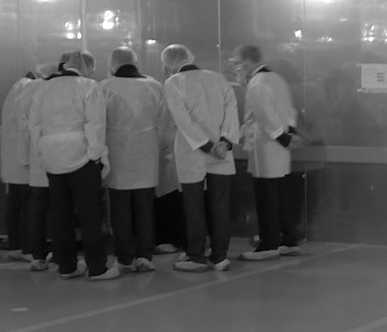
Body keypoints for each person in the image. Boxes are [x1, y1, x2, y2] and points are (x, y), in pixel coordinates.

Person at [29, 49, 116, 280]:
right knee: (90, 215)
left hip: (52, 157)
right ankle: (97, 267)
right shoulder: (88, 86)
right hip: (81, 157)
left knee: (60, 214)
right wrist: (96, 155)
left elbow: (34, 125)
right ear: (85, 66)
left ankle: (66, 266)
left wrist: (42, 153)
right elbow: (95, 124)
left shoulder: (42, 88)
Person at [161, 43, 239, 271]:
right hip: (222, 151)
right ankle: (220, 256)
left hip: (191, 150)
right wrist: (224, 142)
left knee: (193, 205)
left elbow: (183, 120)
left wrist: (206, 146)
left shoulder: (173, 83)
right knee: (220, 204)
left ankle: (195, 255)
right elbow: (232, 110)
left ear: (167, 65)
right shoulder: (218, 78)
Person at [98, 46, 168, 273]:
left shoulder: (104, 87)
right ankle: (145, 255)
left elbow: (97, 123)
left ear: (112, 64)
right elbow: (164, 121)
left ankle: (124, 257)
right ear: (135, 62)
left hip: (117, 153)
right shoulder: (154, 86)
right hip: (147, 151)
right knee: (145, 207)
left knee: (120, 208)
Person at [236, 44, 302, 260]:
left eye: (237, 63)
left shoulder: (257, 82)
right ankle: (288, 238)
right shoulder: (277, 78)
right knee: (281, 193)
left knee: (266, 195)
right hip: (281, 145)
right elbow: (288, 109)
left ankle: (269, 242)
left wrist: (280, 137)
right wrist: (288, 134)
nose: (237, 68)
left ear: (247, 61)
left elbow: (264, 115)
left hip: (266, 145)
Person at [0, 67, 38, 260]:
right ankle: (28, 248)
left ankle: (15, 245)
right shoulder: (28, 89)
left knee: (15, 203)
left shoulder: (17, 88)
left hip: (13, 160)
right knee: (28, 205)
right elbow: (28, 126)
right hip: (23, 159)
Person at [21, 63, 55, 271]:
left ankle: (38, 254)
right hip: (57, 158)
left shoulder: (30, 89)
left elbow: (26, 123)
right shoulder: (56, 90)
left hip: (37, 156)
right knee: (60, 208)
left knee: (38, 207)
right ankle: (59, 252)